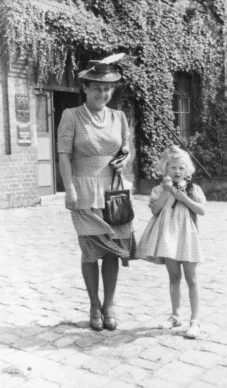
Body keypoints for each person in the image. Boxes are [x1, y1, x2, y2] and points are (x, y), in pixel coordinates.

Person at [57, 58, 136, 332]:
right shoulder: (71, 116)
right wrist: (69, 188)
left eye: (108, 89)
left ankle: (110, 305)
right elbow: (64, 155)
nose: (103, 94)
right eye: (97, 89)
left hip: (114, 191)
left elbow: (125, 149)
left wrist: (124, 160)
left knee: (113, 250)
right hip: (84, 191)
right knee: (90, 250)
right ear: (86, 89)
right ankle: (94, 303)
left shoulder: (119, 117)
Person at [136, 146, 206, 339]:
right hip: (168, 239)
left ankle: (195, 320)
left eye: (181, 168)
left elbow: (201, 210)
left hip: (187, 238)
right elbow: (155, 210)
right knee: (174, 277)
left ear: (187, 170)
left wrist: (183, 198)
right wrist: (167, 192)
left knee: (191, 278)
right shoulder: (159, 189)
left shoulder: (193, 188)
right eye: (173, 167)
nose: (177, 171)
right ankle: (176, 315)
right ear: (165, 169)